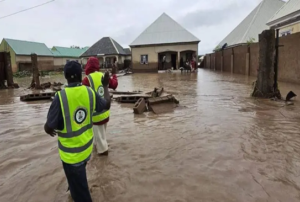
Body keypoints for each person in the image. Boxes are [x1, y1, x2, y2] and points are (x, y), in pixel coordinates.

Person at [44, 61, 111, 202]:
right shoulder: (89, 92)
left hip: (70, 156)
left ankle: (75, 188)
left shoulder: (60, 97)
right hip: (86, 150)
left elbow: (49, 127)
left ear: (66, 77)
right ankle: (73, 186)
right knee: (77, 180)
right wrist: (105, 85)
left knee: (82, 196)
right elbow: (106, 105)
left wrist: (50, 129)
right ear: (81, 76)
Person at [82, 57, 118, 155]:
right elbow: (114, 85)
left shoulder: (86, 80)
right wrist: (114, 74)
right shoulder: (103, 75)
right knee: (101, 136)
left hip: (94, 115)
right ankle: (98, 148)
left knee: (101, 143)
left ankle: (103, 162)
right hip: (105, 113)